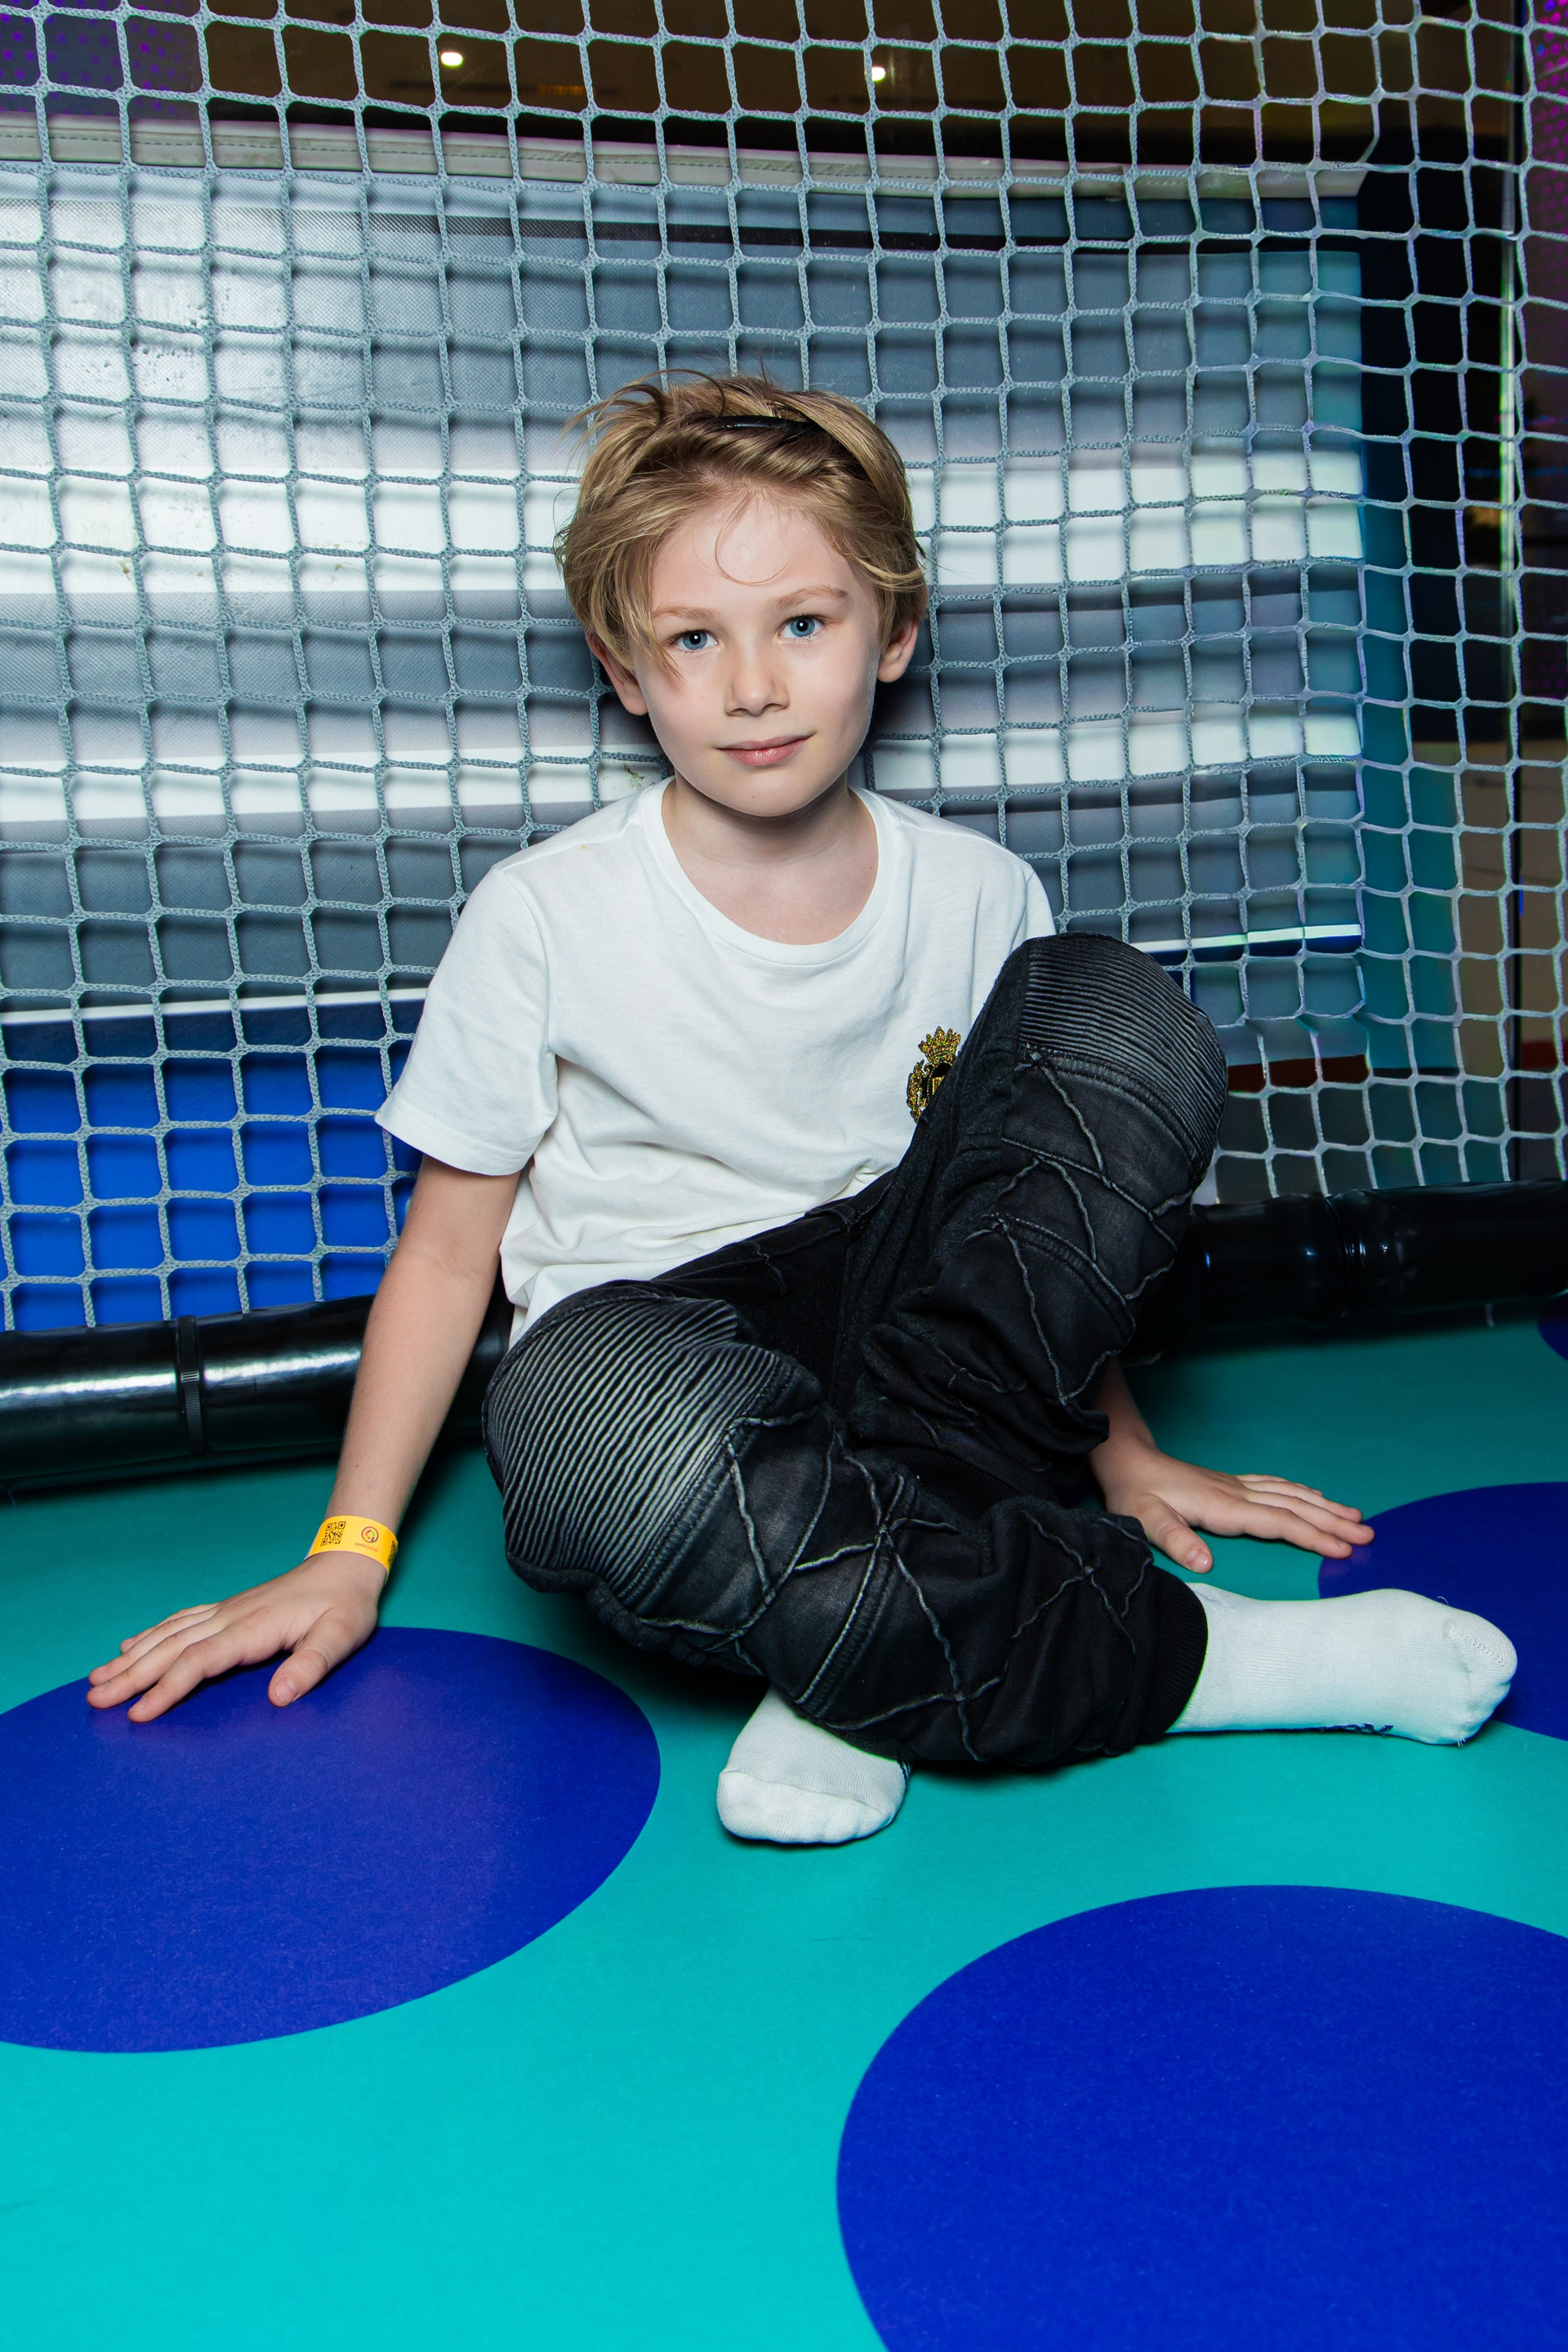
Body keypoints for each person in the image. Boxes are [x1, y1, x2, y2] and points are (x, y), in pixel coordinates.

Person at [87, 374, 1517, 1846]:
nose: (753, 687)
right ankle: (1197, 1659)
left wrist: (1126, 1453)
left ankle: (854, 1652)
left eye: (804, 626)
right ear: (626, 669)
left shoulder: (978, 891)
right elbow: (449, 1258)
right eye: (694, 639)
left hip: (928, 1357)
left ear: (893, 632)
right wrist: (350, 1549)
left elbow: (1041, 1214)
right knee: (580, 1413)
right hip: (668, 1359)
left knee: (1113, 1002)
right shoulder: (542, 914)